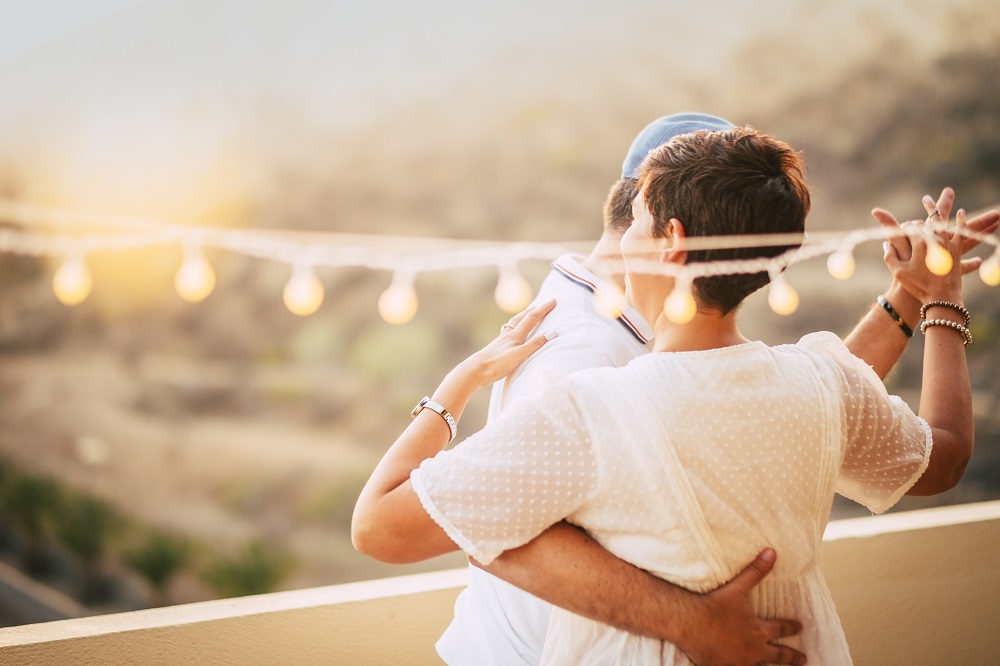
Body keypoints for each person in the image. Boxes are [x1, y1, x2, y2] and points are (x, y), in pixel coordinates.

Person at [365, 113, 997, 666]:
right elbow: (943, 456)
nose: (623, 240)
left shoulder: (594, 409)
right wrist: (936, 299)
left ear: (670, 242)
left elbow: (382, 528)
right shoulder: (819, 381)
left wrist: (457, 385)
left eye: (637, 219)